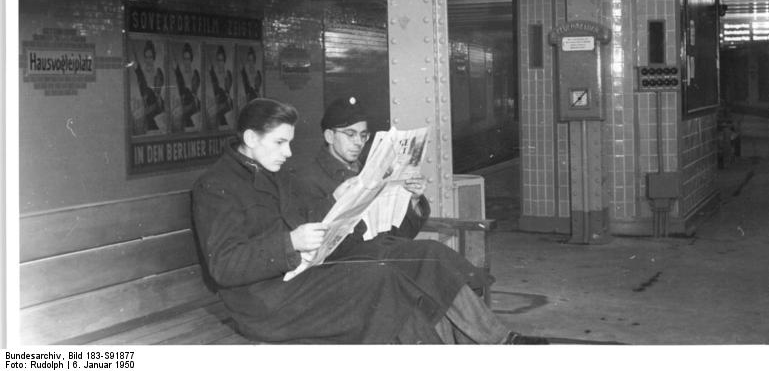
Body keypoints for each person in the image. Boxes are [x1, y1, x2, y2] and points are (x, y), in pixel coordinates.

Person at [192, 97, 542, 344]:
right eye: (281, 142)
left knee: (407, 267)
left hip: (299, 277)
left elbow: (306, 221)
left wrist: (336, 201)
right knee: (384, 278)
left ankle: (478, 350)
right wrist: (291, 243)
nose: (288, 152)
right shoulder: (215, 186)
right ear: (251, 139)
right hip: (265, 302)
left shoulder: (274, 173)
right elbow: (224, 266)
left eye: (290, 142)